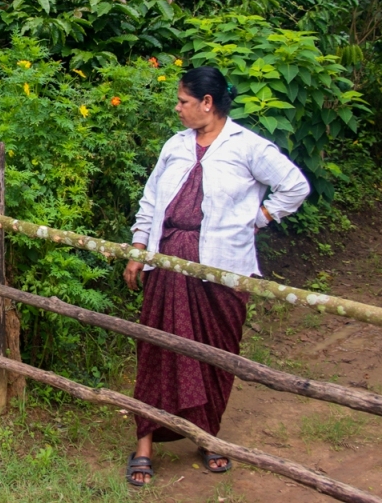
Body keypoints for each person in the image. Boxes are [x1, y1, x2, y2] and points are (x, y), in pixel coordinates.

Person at [122, 66, 310, 487]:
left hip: (223, 270)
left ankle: (207, 437)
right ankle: (145, 444)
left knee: (214, 355)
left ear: (207, 103)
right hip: (167, 262)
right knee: (157, 351)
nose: (178, 108)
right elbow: (151, 200)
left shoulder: (248, 147)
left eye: (183, 101)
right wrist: (138, 248)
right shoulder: (175, 145)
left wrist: (259, 218)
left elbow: (294, 187)